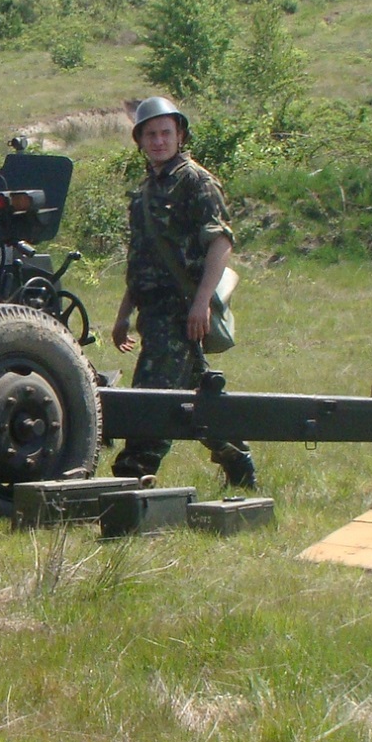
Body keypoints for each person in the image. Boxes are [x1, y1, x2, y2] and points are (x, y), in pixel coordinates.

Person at [109, 97, 257, 488]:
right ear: (139, 140)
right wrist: (125, 313)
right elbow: (139, 258)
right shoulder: (144, 191)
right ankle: (238, 461)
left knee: (153, 399)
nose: (159, 141)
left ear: (180, 135)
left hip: (182, 313)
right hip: (152, 313)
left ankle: (130, 476)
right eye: (151, 134)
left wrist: (201, 303)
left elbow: (220, 243)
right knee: (198, 400)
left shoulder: (196, 181)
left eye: (166, 133)